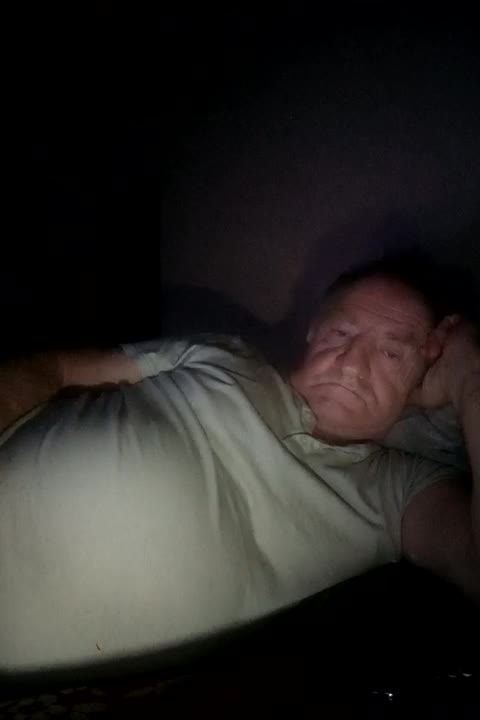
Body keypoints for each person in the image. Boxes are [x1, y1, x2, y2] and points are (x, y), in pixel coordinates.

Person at [0, 252, 479, 672]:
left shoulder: (403, 489)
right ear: (313, 330)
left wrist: (469, 373)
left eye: (392, 352)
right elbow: (55, 371)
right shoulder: (223, 355)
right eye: (341, 333)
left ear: (425, 372)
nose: (352, 364)